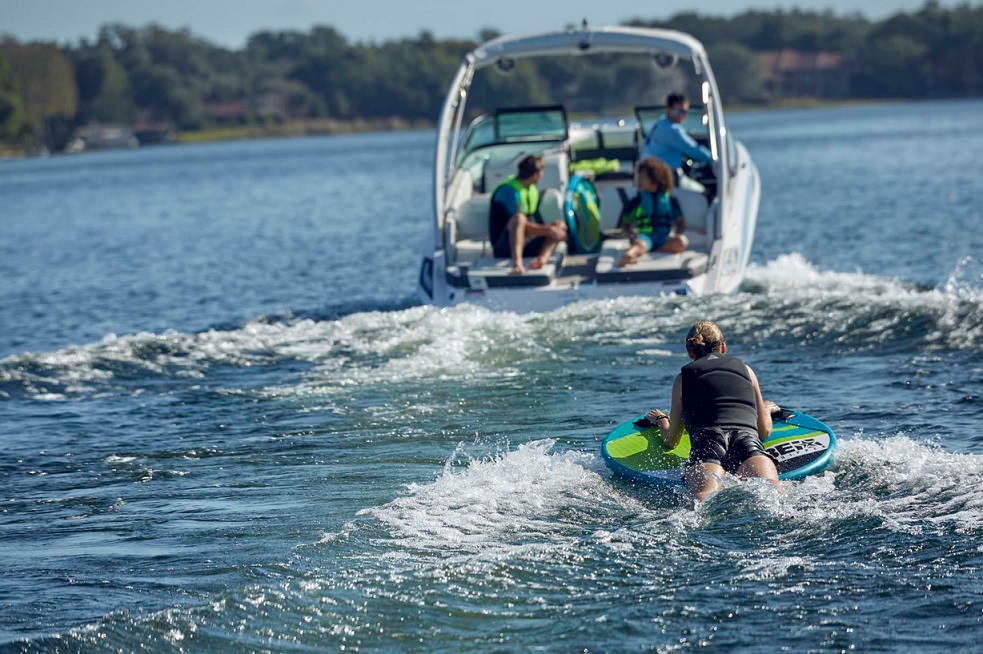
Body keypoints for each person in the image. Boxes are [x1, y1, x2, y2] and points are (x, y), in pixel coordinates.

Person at [646, 321, 781, 501]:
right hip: (746, 440)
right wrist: (766, 410)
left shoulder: (682, 378)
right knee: (772, 488)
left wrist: (661, 419)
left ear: (690, 352)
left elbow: (672, 441)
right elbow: (763, 431)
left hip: (708, 443)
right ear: (723, 347)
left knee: (704, 497)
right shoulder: (747, 371)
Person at [489, 155, 568, 275]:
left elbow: (533, 223)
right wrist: (548, 230)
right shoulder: (507, 191)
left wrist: (553, 229)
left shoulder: (531, 190)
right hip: (505, 247)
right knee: (519, 219)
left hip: (527, 244)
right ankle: (517, 264)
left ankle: (542, 259)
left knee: (559, 225)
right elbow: (519, 225)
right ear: (536, 175)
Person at [618, 157, 687, 267]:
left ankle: (653, 249)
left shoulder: (671, 200)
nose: (639, 181)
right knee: (639, 245)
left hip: (664, 238)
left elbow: (680, 223)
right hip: (645, 237)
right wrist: (629, 233)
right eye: (639, 177)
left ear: (655, 179)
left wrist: (678, 234)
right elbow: (625, 224)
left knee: (681, 242)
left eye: (643, 177)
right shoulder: (636, 202)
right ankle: (628, 256)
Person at [641, 92, 712, 186]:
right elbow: (693, 149)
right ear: (668, 109)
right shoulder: (672, 130)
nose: (681, 115)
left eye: (684, 112)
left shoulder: (661, 122)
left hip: (650, 176)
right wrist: (714, 159)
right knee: (702, 190)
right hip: (664, 178)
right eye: (678, 111)